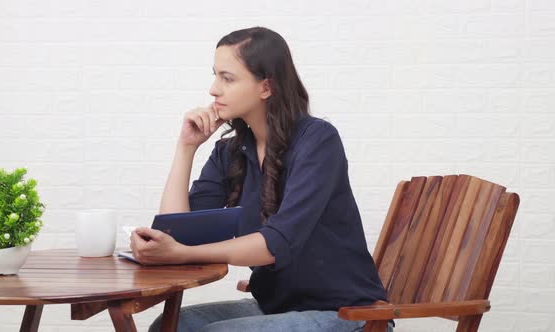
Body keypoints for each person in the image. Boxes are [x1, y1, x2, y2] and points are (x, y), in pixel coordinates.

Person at [129, 26, 393, 332]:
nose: (213, 89)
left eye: (227, 78)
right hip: (275, 307)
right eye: (215, 75)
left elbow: (275, 244)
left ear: (265, 87)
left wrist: (180, 254)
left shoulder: (317, 141)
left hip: (346, 313)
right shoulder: (231, 151)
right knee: (169, 326)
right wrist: (186, 148)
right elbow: (179, 230)